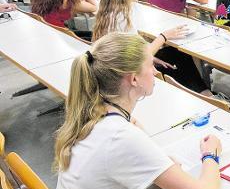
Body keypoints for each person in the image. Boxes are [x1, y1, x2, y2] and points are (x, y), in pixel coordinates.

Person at [54, 32, 221, 189]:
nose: (156, 71)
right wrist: (210, 154)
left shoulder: (93, 111)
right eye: (150, 65)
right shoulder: (120, 136)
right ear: (134, 79)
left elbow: (131, 129)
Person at [93, 0, 208, 93]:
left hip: (118, 67)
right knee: (179, 57)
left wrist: (152, 58)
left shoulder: (109, 8)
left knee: (174, 56)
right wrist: (164, 37)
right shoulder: (123, 15)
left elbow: (127, 50)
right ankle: (203, 95)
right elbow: (138, 56)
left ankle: (202, 93)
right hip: (125, 75)